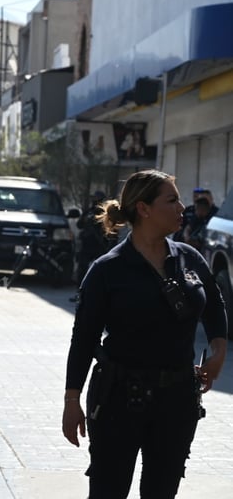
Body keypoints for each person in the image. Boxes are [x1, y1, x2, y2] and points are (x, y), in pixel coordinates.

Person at [62, 169, 227, 499]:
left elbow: (214, 304)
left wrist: (218, 350)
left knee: (162, 491)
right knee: (109, 490)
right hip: (118, 399)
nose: (182, 207)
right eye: (172, 200)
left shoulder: (189, 258)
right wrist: (71, 400)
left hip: (177, 399)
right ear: (144, 208)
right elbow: (83, 338)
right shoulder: (108, 269)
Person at [75, 190, 111, 282]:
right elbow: (79, 225)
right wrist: (86, 220)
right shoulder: (88, 212)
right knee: (82, 269)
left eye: (97, 199)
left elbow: (110, 230)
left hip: (99, 245)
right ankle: (80, 290)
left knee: (101, 270)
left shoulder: (106, 214)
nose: (95, 201)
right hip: (87, 244)